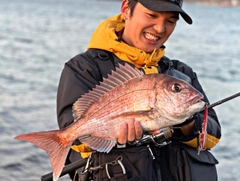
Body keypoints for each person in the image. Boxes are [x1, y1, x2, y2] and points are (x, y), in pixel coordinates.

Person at [56, 0, 221, 180]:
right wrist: (110, 134)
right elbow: (71, 132)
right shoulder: (84, 68)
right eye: (152, 15)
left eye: (171, 21)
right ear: (126, 9)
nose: (160, 28)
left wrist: (187, 125)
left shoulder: (182, 73)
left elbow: (213, 135)